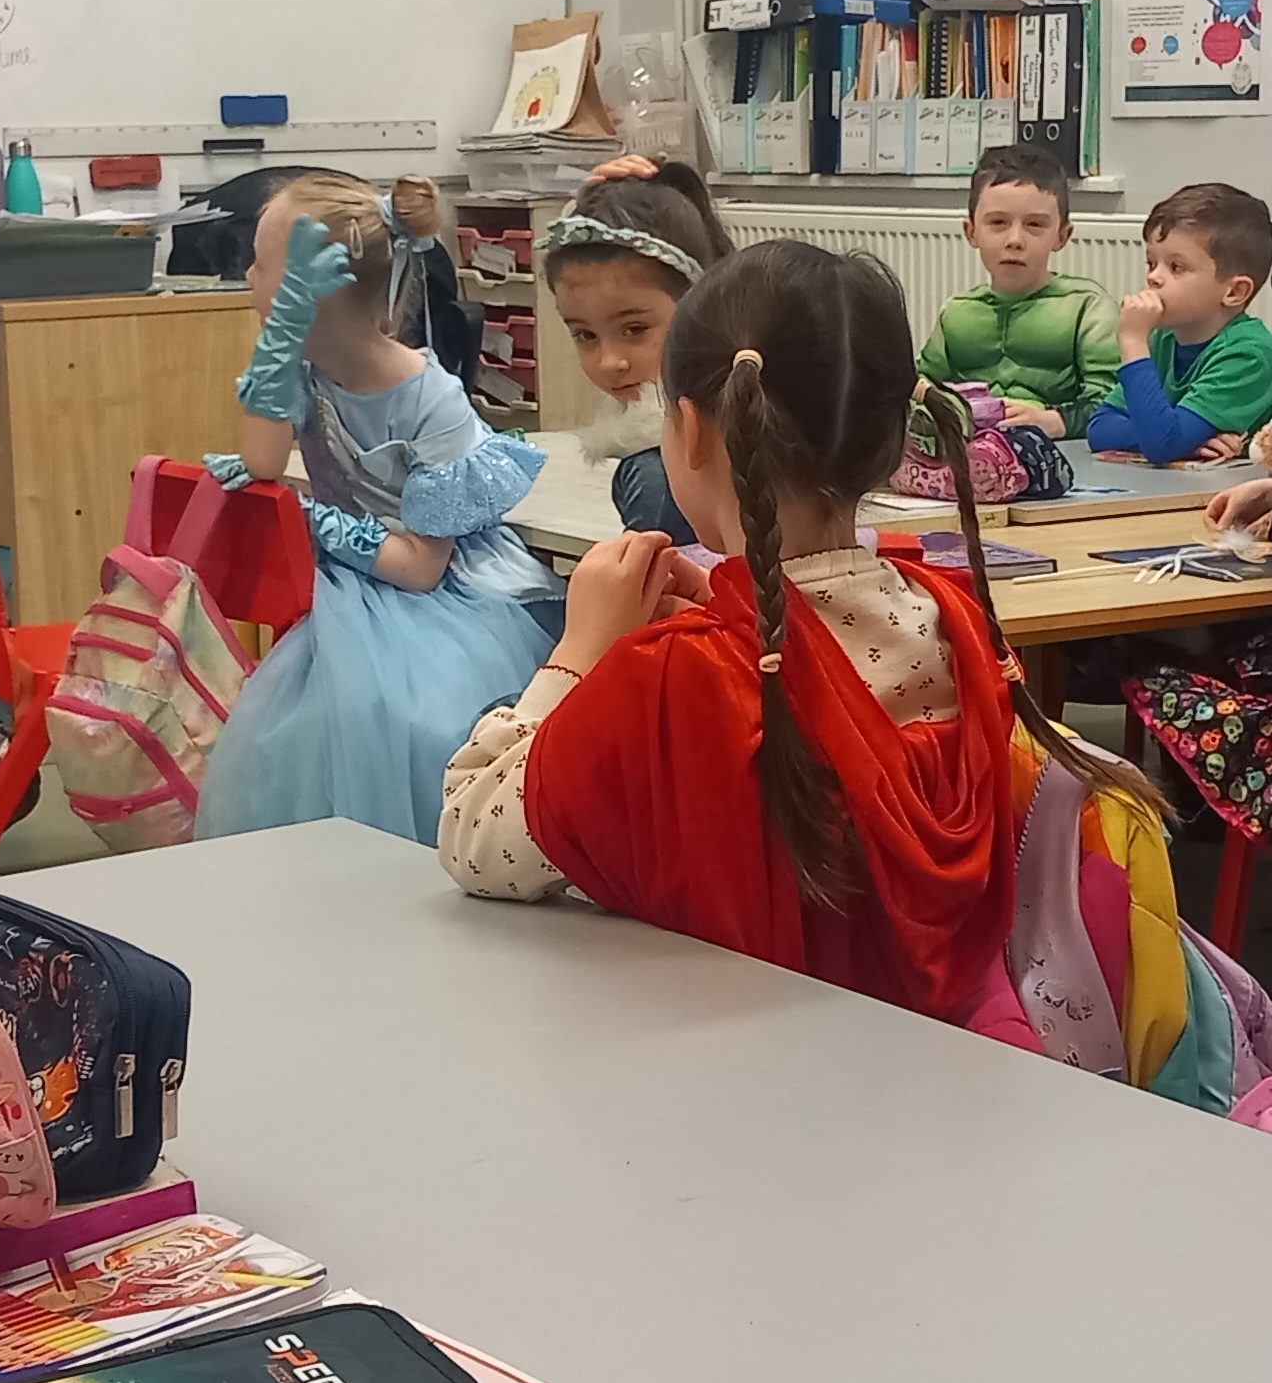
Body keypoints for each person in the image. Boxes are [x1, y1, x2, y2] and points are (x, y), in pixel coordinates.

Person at [436, 240, 1272, 1124]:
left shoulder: (673, 676)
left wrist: (580, 653)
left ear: (688, 429)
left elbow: (475, 838)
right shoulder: (953, 617)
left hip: (742, 1112)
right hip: (947, 1093)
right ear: (889, 443)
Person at [195, 172, 559, 844]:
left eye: (262, 264)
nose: (247, 276)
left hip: (445, 594)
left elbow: (421, 567)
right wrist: (279, 342)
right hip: (355, 591)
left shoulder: (429, 398)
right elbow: (264, 464)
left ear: (315, 291)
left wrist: (313, 520)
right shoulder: (304, 369)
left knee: (414, 720)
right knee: (302, 726)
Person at [541, 158, 731, 542]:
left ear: (699, 307)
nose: (610, 362)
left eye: (635, 329)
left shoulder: (661, 475)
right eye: (585, 335)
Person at [917, 143, 1117, 439]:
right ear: (971, 232)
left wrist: (1054, 421)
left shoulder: (1087, 309)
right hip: (972, 453)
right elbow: (919, 390)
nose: (1015, 240)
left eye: (1034, 224)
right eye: (998, 222)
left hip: (1061, 455)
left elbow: (1116, 403)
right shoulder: (957, 313)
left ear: (1062, 236)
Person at [1086, 182, 1272, 464]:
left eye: (1176, 267)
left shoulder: (1249, 355)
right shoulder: (1164, 338)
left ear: (1234, 292)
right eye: (1151, 263)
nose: (1153, 278)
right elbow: (1099, 428)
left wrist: (1133, 342)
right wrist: (1184, 442)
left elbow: (1164, 444)